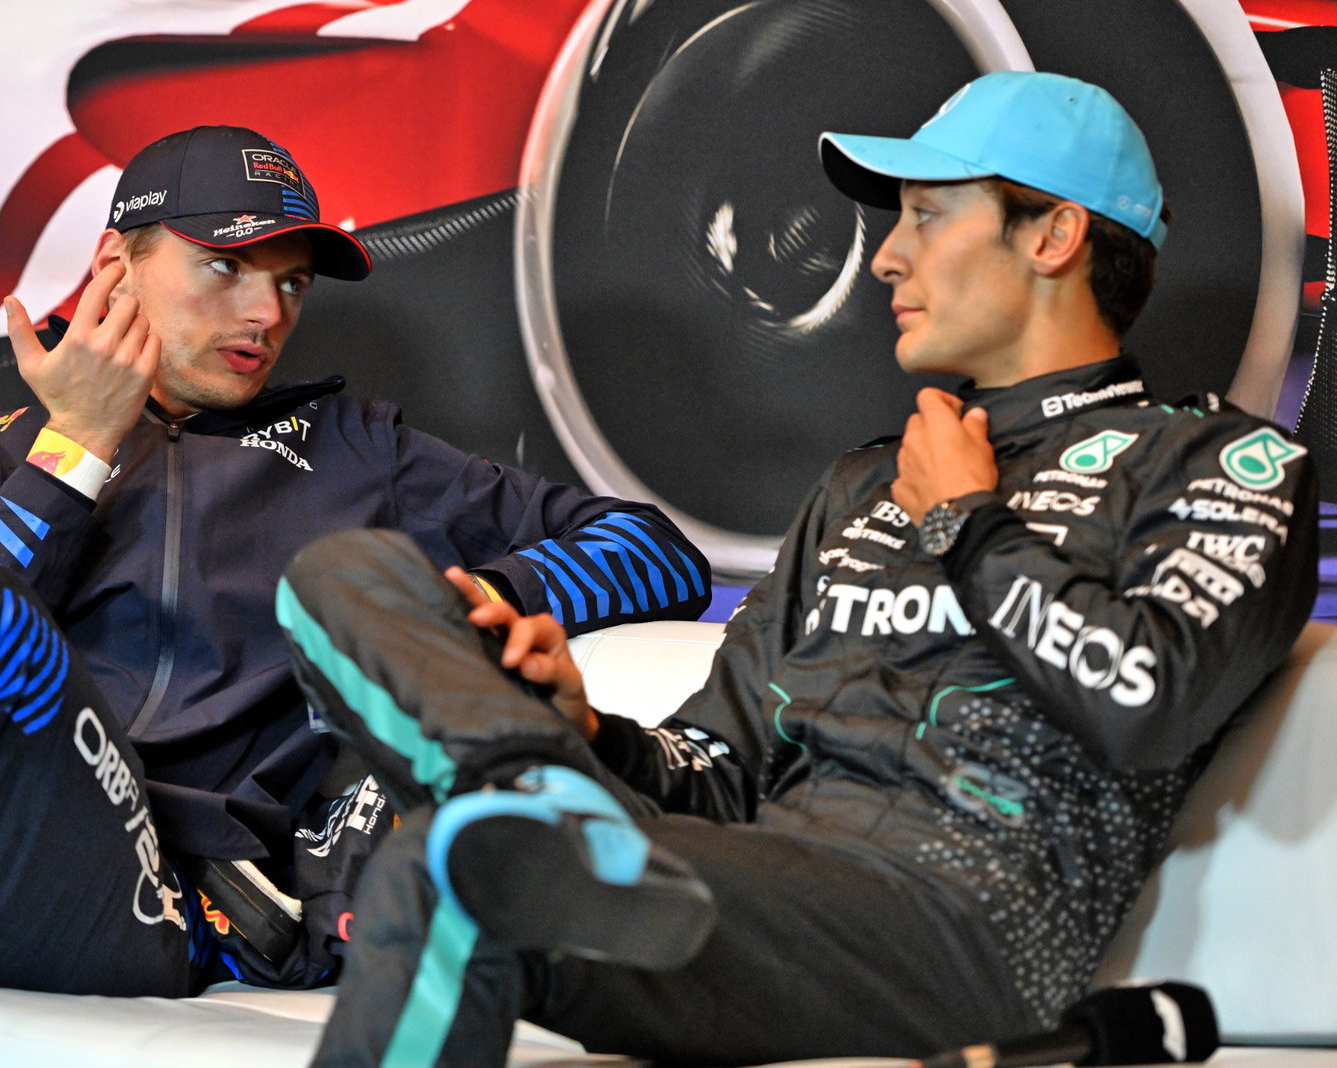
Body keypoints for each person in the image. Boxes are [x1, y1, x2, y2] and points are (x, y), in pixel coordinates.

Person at [272, 71, 1319, 1065]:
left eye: (926, 214)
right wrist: (586, 730)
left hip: (957, 931)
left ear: (1052, 234)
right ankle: (522, 774)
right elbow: (717, 774)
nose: (883, 258)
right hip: (742, 890)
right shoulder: (860, 484)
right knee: (343, 575)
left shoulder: (1219, 459)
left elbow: (1147, 699)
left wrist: (965, 521)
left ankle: (521, 815)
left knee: (445, 861)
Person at [0, 126, 712, 996]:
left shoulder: (355, 447)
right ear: (116, 262)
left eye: (290, 280)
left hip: (140, 890)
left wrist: (466, 603)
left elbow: (655, 552)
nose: (267, 312)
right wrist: (71, 453)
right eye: (226, 267)